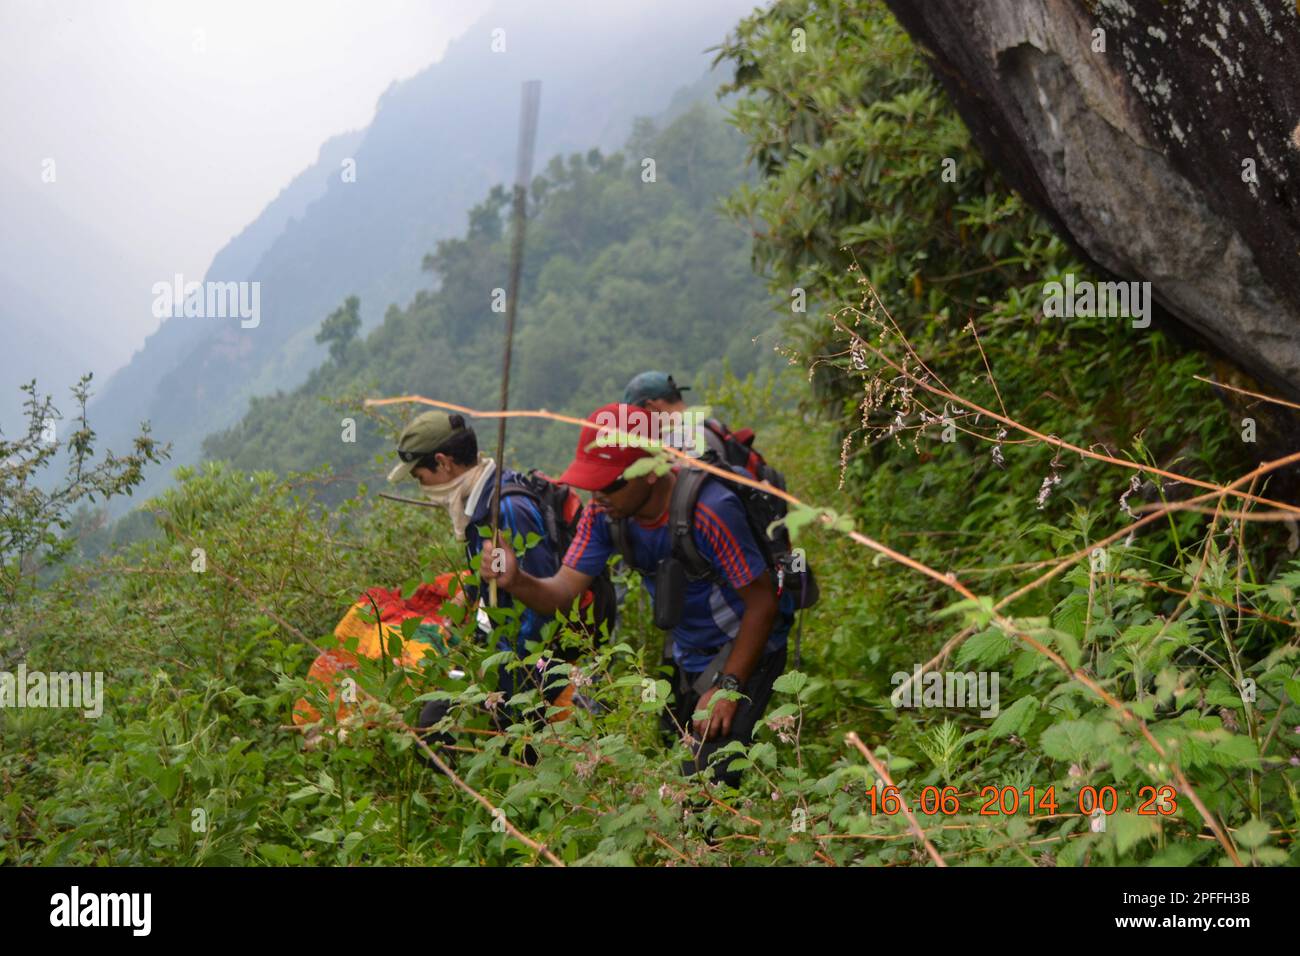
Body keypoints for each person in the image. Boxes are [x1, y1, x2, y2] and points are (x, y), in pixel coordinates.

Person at [479, 403, 794, 788]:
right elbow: (560, 593)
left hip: (750, 645)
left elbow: (763, 603)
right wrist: (516, 580)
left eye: (610, 483)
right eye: (590, 483)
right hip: (686, 651)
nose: (597, 496)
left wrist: (728, 687)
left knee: (707, 780)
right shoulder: (604, 515)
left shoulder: (711, 510)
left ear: (649, 472)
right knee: (672, 753)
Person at [388, 411, 578, 750]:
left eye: (420, 475)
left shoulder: (504, 511)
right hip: (501, 652)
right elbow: (493, 578)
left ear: (443, 463)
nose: (422, 486)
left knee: (436, 729)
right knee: (434, 713)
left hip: (530, 665)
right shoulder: (479, 501)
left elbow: (543, 603)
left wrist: (503, 677)